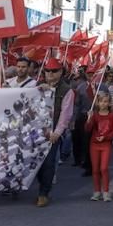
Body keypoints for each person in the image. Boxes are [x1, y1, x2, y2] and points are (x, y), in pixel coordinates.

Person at [34, 58, 74, 207]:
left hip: (52, 133)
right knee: (36, 163)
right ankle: (42, 187)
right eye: (48, 70)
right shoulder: (37, 86)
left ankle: (44, 193)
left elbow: (66, 113)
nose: (50, 74)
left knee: (49, 163)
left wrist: (57, 132)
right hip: (36, 132)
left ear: (61, 72)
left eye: (54, 71)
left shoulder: (67, 90)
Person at [85, 91, 113, 202]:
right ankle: (97, 191)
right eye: (101, 102)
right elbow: (88, 129)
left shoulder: (112, 116)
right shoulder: (94, 115)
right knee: (95, 169)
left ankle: (106, 192)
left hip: (106, 144)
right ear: (98, 103)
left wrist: (106, 137)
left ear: (109, 104)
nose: (103, 104)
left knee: (103, 168)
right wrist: (89, 119)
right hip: (94, 144)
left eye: (106, 102)